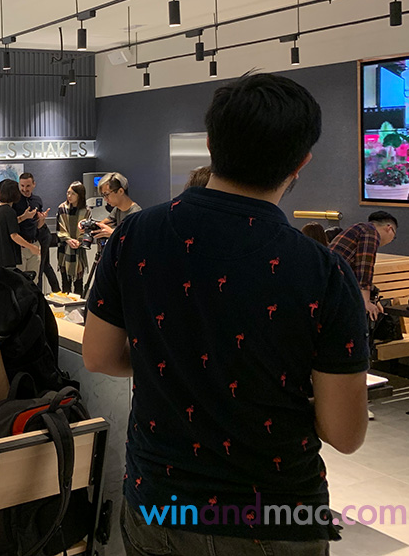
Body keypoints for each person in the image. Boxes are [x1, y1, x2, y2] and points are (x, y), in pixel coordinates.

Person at [84, 73, 368, 553]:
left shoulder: (133, 236)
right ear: (302, 161)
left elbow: (99, 356)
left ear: (211, 144)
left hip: (159, 503)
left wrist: (172, 362)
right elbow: (344, 433)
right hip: (274, 516)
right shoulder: (324, 271)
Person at [329, 211, 397, 323]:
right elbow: (365, 267)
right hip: (334, 287)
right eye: (393, 237)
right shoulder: (371, 232)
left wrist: (372, 299)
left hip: (328, 283)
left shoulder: (360, 228)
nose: (390, 241)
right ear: (389, 228)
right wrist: (366, 302)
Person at [14, 173, 59, 291]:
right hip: (19, 246)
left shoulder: (37, 200)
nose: (25, 189)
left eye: (28, 186)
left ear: (34, 184)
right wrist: (24, 217)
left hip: (34, 243)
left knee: (34, 281)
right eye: (22, 186)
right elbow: (10, 223)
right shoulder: (14, 201)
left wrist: (42, 219)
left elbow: (38, 225)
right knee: (19, 281)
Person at [0, 179, 40, 269]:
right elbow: (14, 235)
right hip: (6, 258)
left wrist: (24, 217)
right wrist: (31, 247)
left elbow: (10, 223)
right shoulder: (9, 211)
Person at [56, 181, 91, 294]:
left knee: (78, 284)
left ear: (80, 195)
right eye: (68, 193)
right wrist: (68, 240)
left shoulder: (86, 211)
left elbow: (88, 230)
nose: (69, 196)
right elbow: (60, 228)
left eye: (73, 194)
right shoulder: (62, 208)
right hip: (64, 249)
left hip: (79, 250)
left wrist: (79, 241)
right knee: (65, 283)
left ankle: (78, 304)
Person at [93, 172, 141, 240]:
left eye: (107, 194)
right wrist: (88, 226)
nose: (105, 199)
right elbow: (103, 223)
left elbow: (133, 239)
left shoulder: (135, 214)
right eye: (103, 195)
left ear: (120, 191)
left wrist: (113, 234)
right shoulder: (117, 209)